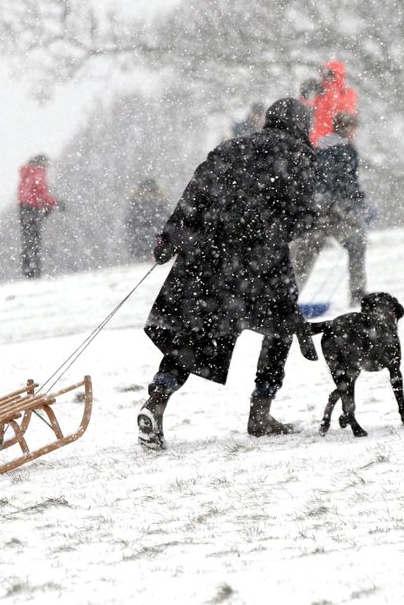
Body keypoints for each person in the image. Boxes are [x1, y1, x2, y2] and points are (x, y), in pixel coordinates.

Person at [138, 98, 322, 451]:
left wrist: (170, 238)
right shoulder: (298, 155)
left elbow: (193, 198)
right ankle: (261, 410)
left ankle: (157, 399)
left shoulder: (229, 148)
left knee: (193, 334)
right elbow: (303, 216)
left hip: (207, 255)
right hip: (259, 261)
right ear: (300, 125)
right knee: (280, 326)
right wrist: (276, 229)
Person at [291, 112, 369, 306]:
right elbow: (346, 182)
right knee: (357, 243)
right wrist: (360, 201)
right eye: (353, 129)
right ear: (347, 129)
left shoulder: (318, 147)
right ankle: (357, 292)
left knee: (304, 256)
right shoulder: (346, 150)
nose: (354, 134)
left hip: (314, 208)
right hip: (336, 209)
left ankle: (287, 299)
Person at [17, 154, 61, 279]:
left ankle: (27, 269)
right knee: (35, 240)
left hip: (23, 209)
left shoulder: (25, 175)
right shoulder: (38, 173)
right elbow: (42, 193)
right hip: (33, 209)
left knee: (27, 240)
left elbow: (28, 193)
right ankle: (35, 269)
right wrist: (54, 203)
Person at [310, 60, 358, 147]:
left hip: (338, 142)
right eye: (324, 74)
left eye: (329, 74)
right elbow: (306, 110)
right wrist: (305, 95)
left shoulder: (347, 93)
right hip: (317, 140)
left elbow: (344, 111)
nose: (325, 77)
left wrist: (327, 91)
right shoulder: (320, 93)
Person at [124, 178, 170, 261]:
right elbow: (131, 229)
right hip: (140, 251)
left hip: (159, 249)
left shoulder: (161, 206)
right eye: (147, 192)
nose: (149, 195)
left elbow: (165, 224)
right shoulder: (136, 207)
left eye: (152, 192)